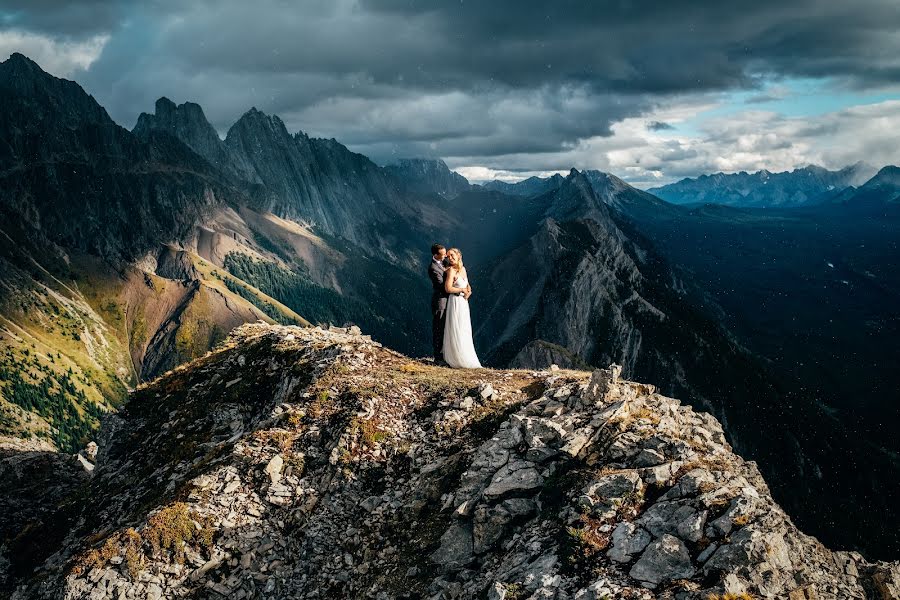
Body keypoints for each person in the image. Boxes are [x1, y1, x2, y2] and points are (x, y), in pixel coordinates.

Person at [442, 248, 481, 369]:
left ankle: (466, 354)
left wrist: (468, 291)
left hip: (463, 303)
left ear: (459, 256)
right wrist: (462, 290)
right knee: (456, 327)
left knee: (464, 328)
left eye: (452, 255)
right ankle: (456, 357)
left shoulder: (463, 269)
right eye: (448, 256)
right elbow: (448, 289)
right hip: (455, 301)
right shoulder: (451, 271)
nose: (450, 258)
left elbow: (467, 284)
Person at [428, 243, 450, 364]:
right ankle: (438, 356)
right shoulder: (433, 268)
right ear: (435, 255)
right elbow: (442, 287)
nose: (445, 256)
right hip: (440, 302)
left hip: (447, 300)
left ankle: (445, 354)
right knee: (438, 329)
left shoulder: (443, 261)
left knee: (445, 328)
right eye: (442, 254)